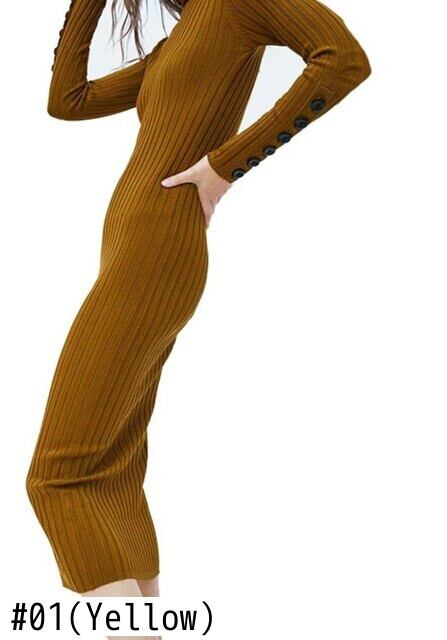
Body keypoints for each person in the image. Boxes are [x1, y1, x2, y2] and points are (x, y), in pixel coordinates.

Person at [27, 0, 371, 606]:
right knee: (109, 470)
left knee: (60, 476)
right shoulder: (187, 34)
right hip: (134, 249)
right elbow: (68, 101)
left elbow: (343, 60)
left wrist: (224, 166)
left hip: (156, 251)